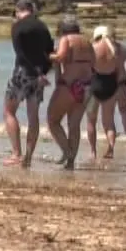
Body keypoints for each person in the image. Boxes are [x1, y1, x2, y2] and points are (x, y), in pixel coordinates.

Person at [3, 0, 53, 168]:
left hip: (23, 72)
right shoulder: (42, 26)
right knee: (33, 117)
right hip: (39, 75)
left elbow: (21, 53)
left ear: (19, 10)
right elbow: (50, 52)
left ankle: (17, 154)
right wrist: (43, 72)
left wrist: (36, 72)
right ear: (32, 10)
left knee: (9, 111)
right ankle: (28, 158)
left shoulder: (17, 26)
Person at [46, 15, 95, 169]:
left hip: (69, 85)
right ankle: (71, 162)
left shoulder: (66, 40)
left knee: (52, 120)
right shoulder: (87, 41)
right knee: (74, 125)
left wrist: (48, 55)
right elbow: (94, 62)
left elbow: (60, 57)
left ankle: (66, 151)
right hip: (87, 86)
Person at [86, 26, 122, 159]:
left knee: (91, 121)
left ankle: (93, 152)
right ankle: (111, 149)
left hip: (94, 84)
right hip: (110, 84)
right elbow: (118, 71)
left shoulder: (93, 48)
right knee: (109, 121)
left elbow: (88, 69)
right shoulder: (116, 50)